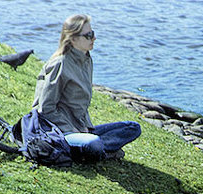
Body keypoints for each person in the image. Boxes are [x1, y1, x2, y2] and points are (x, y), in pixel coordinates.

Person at [32, 13, 141, 161]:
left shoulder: (87, 60)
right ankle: (94, 151)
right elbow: (45, 109)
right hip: (59, 131)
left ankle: (90, 149)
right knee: (93, 143)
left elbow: (80, 106)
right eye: (88, 35)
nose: (94, 38)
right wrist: (72, 129)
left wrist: (85, 128)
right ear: (73, 38)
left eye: (93, 33)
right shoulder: (60, 64)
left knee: (132, 128)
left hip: (81, 128)